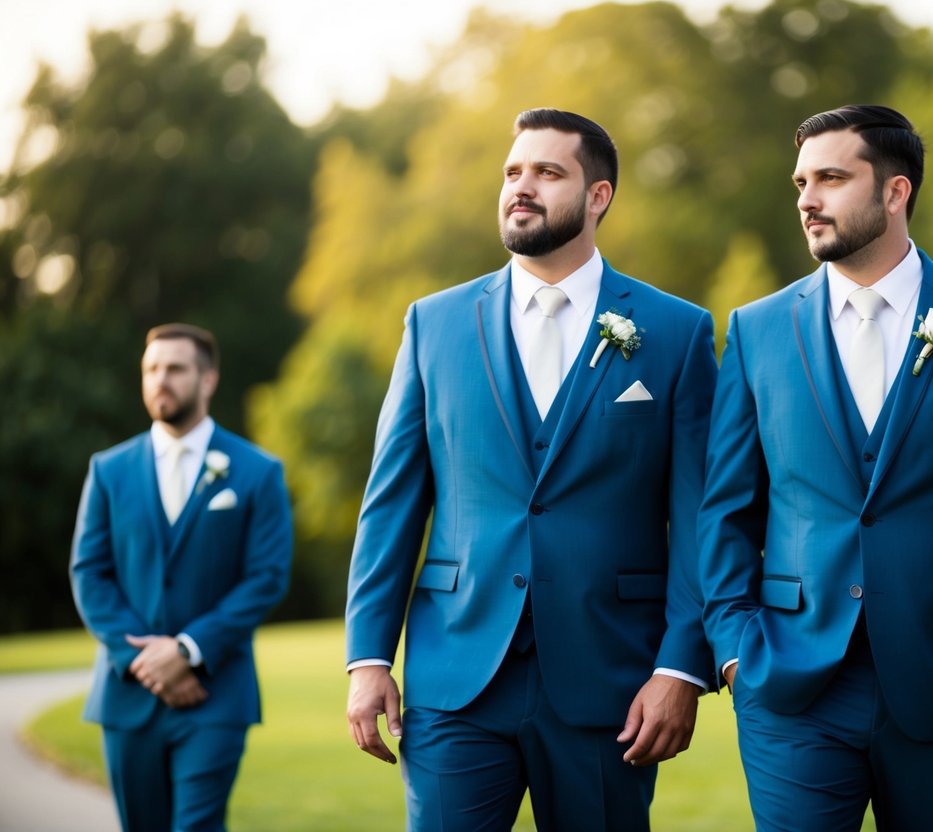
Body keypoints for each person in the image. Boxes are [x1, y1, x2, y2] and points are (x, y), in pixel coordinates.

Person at [698, 104, 933, 831]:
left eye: (832, 178)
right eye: (800, 181)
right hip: (788, 680)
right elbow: (724, 508)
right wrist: (732, 650)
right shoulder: (755, 330)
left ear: (895, 191)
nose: (807, 199)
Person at [344, 108, 717, 830]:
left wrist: (678, 668)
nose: (522, 186)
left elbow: (701, 516)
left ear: (598, 196)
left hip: (609, 679)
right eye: (513, 172)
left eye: (547, 172)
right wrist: (367, 658)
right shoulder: (434, 323)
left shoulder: (675, 332)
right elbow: (390, 503)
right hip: (458, 672)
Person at [70, 323, 292, 832]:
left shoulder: (257, 472)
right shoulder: (108, 470)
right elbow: (89, 573)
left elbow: (266, 577)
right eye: (150, 369)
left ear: (208, 379)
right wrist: (146, 661)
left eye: (174, 368)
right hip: (128, 695)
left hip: (214, 696)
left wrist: (188, 650)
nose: (159, 381)